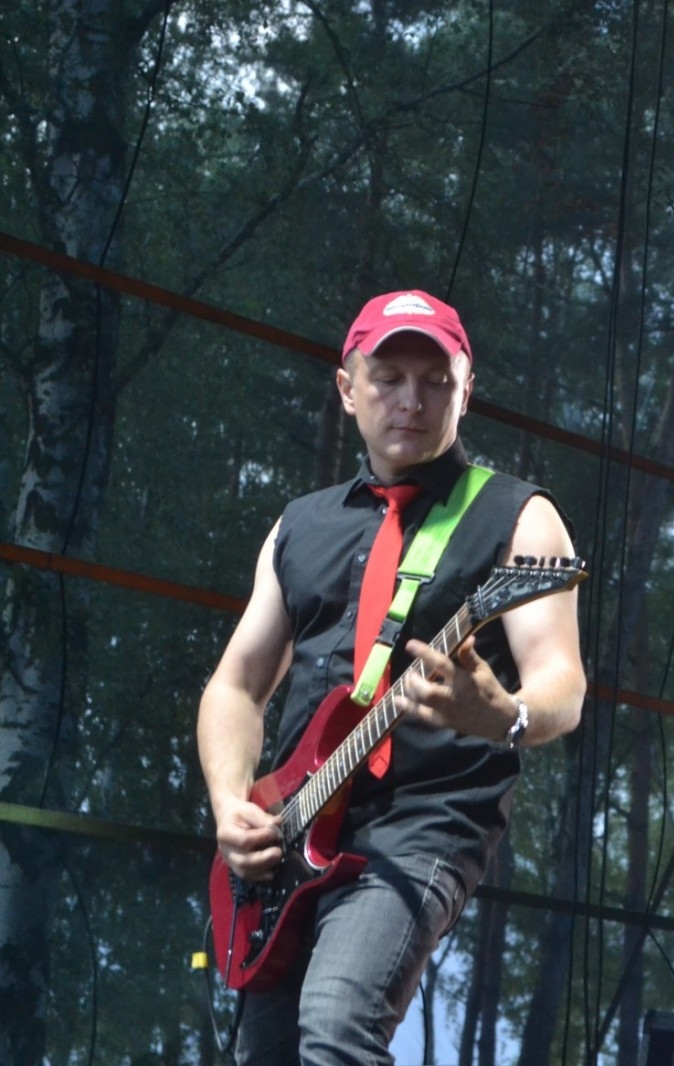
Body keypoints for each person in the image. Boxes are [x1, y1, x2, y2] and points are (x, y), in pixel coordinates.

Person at [196, 290, 586, 1063]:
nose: (412, 400)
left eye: (436, 381)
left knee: (338, 1024)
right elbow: (235, 686)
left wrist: (504, 714)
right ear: (348, 389)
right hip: (292, 830)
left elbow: (562, 685)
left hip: (424, 823)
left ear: (466, 390)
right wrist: (230, 804)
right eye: (389, 378)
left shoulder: (520, 516)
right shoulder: (299, 524)